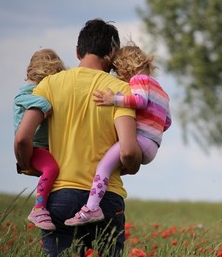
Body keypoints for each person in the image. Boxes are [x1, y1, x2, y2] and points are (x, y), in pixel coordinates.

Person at [14, 18, 142, 257]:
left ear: (77, 51)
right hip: (106, 199)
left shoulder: (48, 85)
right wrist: (131, 167)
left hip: (60, 196)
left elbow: (22, 138)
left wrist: (26, 164)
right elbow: (128, 152)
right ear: (112, 54)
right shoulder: (120, 91)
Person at [65, 43, 172, 226]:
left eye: (118, 70)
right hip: (153, 145)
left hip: (140, 140)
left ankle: (91, 208)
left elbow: (139, 101)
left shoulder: (139, 80)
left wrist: (112, 99)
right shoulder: (162, 91)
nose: (118, 76)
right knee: (112, 168)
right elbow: (167, 122)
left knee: (103, 167)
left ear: (126, 66)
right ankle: (97, 197)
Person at [13, 48, 66, 230]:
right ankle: (38, 208)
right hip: (34, 147)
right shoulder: (28, 92)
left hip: (43, 146)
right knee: (51, 168)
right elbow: (22, 99)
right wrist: (45, 104)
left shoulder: (37, 90)